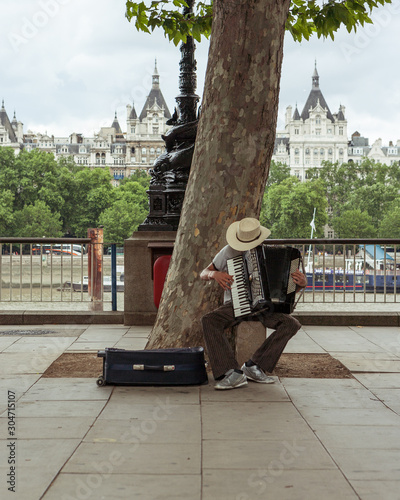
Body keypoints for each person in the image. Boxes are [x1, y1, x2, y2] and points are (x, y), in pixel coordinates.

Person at [200, 217, 307, 390]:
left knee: (291, 324)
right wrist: (214, 275)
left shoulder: (268, 254)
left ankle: (254, 366)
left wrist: (301, 285)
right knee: (209, 320)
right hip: (234, 304)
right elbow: (204, 272)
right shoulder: (228, 251)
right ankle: (231, 372)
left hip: (263, 308)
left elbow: (283, 294)